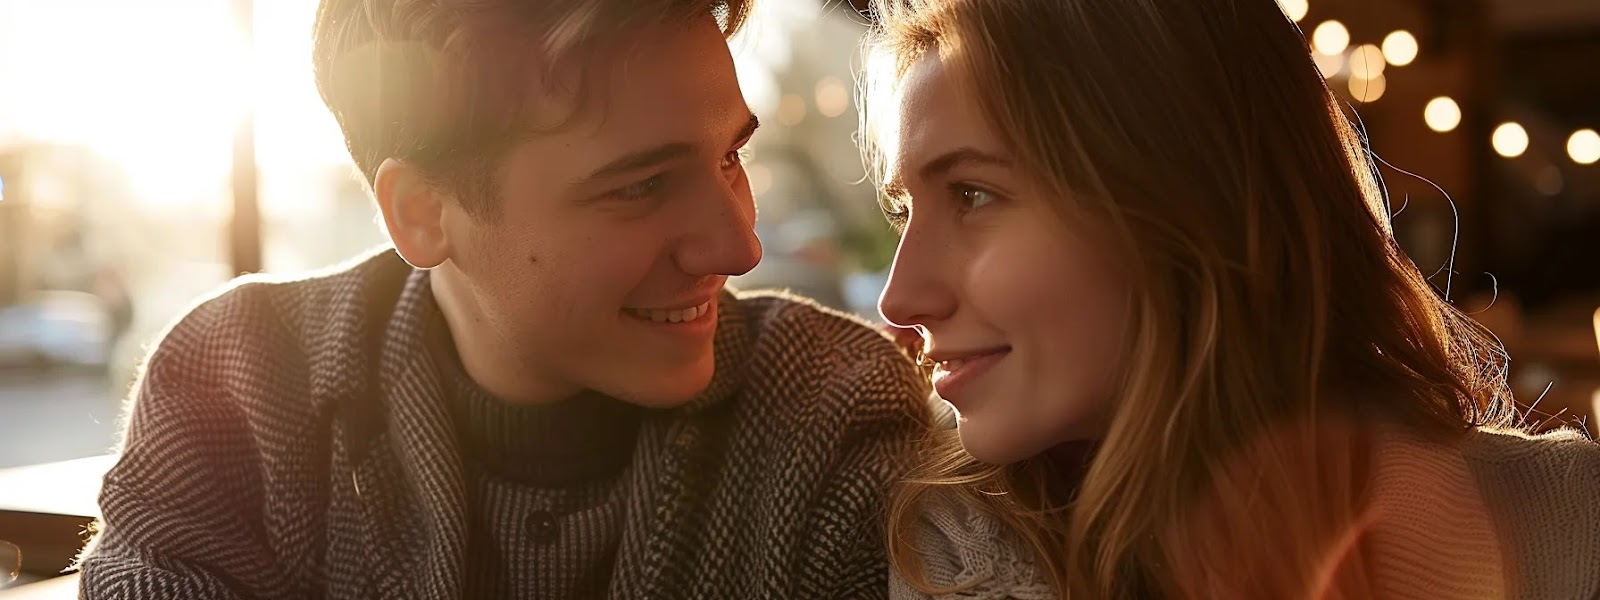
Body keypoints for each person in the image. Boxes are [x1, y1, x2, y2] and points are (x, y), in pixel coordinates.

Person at [74, 0, 933, 597]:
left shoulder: (832, 410)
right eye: (641, 186)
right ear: (423, 212)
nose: (739, 246)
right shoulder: (238, 385)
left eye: (729, 158)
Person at [856, 0, 1600, 597]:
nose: (900, 296)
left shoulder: (1573, 525)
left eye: (973, 194)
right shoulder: (953, 552)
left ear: (1187, 199)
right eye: (903, 210)